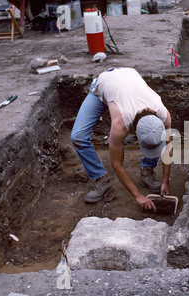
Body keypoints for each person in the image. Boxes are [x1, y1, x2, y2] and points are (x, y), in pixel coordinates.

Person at [71, 67, 172, 212]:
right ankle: (101, 179)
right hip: (105, 83)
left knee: (153, 139)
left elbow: (168, 148)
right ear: (133, 131)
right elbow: (117, 164)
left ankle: (147, 171)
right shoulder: (120, 125)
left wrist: (165, 181)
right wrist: (137, 195)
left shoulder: (164, 116)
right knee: (77, 137)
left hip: (129, 78)